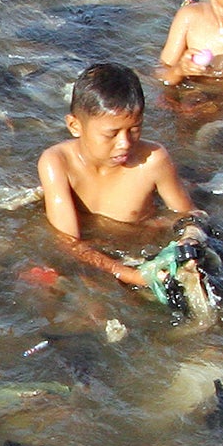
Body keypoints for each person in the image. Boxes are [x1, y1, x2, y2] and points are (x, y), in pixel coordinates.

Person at [38, 62, 207, 302]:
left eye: (134, 130)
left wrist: (189, 240)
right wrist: (130, 275)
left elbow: (188, 215)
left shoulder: (153, 160)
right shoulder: (57, 163)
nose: (125, 143)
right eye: (111, 134)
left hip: (141, 245)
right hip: (97, 257)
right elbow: (68, 242)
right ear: (75, 126)